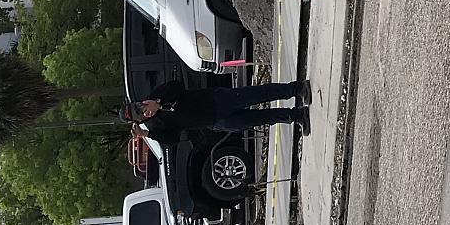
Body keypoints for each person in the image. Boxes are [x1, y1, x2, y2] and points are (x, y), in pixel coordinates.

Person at [123, 78, 311, 137]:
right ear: (138, 120)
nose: (142, 108)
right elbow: (172, 139)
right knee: (259, 118)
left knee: (257, 94)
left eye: (138, 105)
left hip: (215, 100)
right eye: (138, 113)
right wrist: (146, 134)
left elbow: (178, 85)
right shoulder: (156, 125)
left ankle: (297, 88)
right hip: (215, 121)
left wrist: (159, 102)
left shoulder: (155, 95)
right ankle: (296, 115)